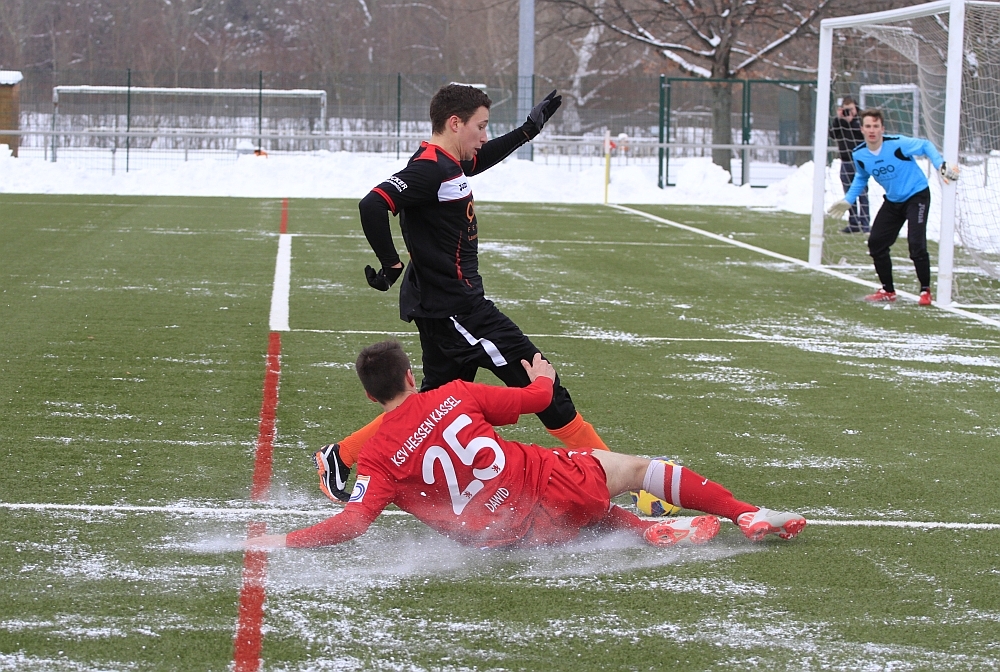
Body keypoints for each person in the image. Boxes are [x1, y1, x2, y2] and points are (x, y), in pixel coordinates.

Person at [312, 84, 611, 501]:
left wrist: (528, 130)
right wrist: (392, 263)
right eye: (480, 127)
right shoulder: (429, 169)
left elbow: (476, 162)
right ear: (455, 123)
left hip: (446, 310)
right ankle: (619, 478)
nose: (485, 136)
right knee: (545, 389)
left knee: (430, 409)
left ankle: (341, 456)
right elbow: (372, 204)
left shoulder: (446, 163)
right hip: (461, 313)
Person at [245, 341, 807, 550]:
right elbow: (537, 400)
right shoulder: (455, 392)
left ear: (371, 398)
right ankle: (745, 512)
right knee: (636, 470)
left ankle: (640, 530)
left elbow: (351, 524)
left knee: (575, 513)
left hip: (500, 537)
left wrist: (280, 540)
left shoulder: (374, 457)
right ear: (411, 376)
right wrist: (542, 376)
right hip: (546, 486)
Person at [827, 109, 960, 305]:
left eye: (876, 126)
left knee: (916, 244)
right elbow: (862, 177)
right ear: (862, 129)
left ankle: (925, 290)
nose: (872, 130)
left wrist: (940, 164)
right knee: (876, 243)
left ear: (882, 128)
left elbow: (925, 145)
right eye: (868, 126)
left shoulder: (897, 144)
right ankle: (888, 290)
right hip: (893, 201)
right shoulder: (859, 154)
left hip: (917, 196)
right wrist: (848, 200)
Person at [828, 97, 870, 233]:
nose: (849, 112)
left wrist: (851, 122)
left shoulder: (862, 120)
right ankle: (853, 223)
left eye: (851, 109)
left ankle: (865, 224)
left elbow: (864, 134)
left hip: (860, 162)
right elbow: (832, 134)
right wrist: (838, 119)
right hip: (845, 161)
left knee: (862, 193)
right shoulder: (840, 121)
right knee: (848, 194)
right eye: (846, 109)